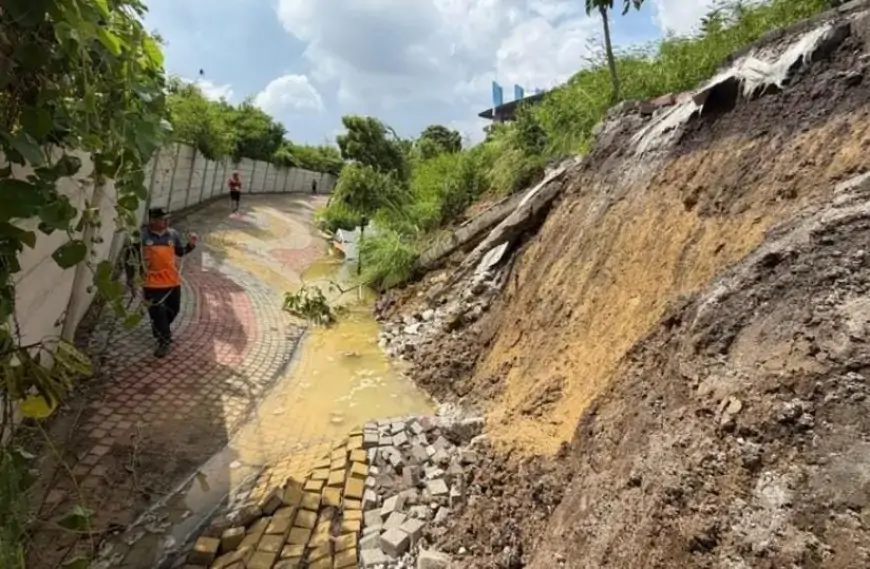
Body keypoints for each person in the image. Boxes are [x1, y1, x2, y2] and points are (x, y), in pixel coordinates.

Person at [125, 208, 198, 358]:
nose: (166, 221)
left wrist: (191, 245)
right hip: (151, 283)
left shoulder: (173, 234)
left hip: (172, 281)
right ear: (152, 220)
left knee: (174, 310)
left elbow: (180, 252)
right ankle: (164, 340)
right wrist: (131, 279)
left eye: (167, 219)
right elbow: (130, 258)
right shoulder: (140, 237)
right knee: (158, 312)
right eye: (163, 219)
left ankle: (158, 327)